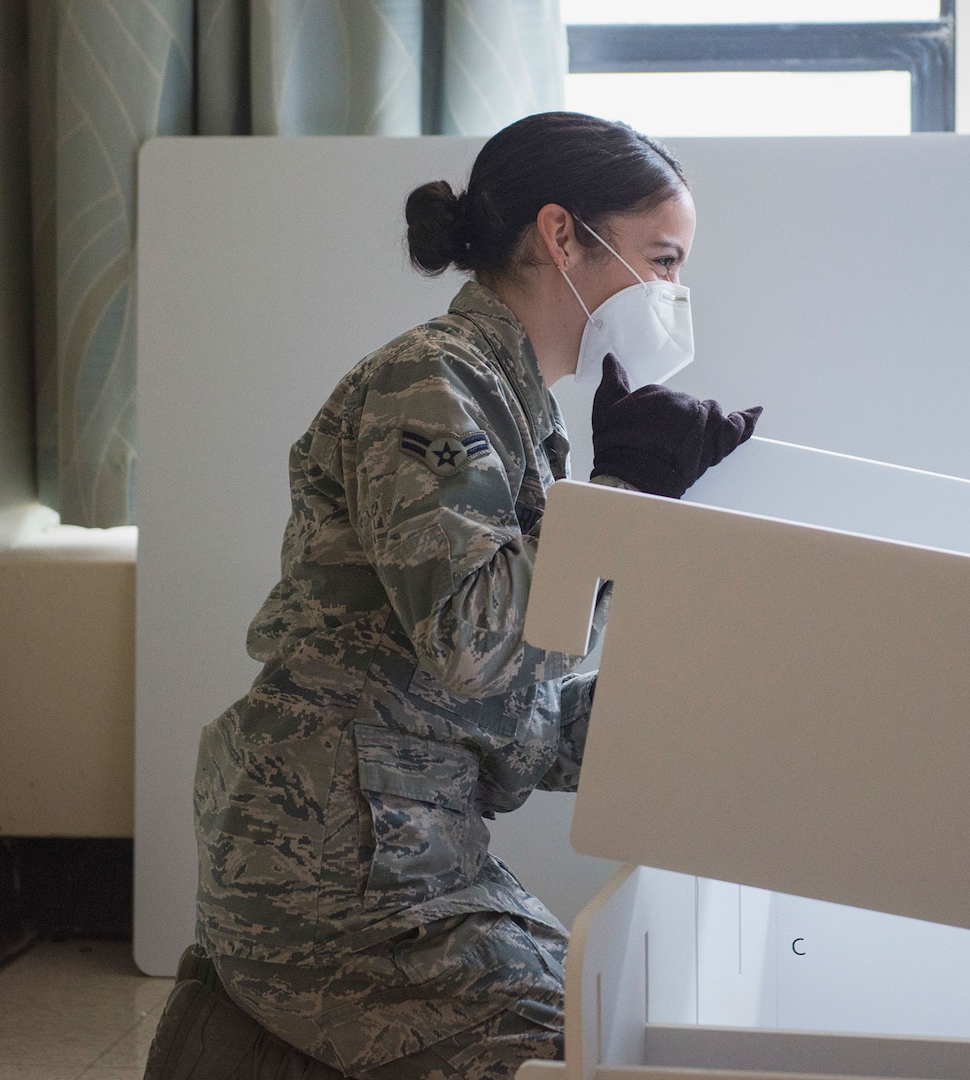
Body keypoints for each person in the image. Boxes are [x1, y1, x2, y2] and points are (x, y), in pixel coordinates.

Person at [143, 112, 761, 1080]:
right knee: (584, 1050)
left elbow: (512, 707)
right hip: (341, 860)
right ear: (563, 236)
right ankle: (251, 1024)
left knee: (609, 1019)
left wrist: (704, 707)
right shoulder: (430, 382)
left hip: (404, 843)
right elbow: (472, 644)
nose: (674, 294)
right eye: (664, 259)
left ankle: (248, 1035)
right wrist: (621, 500)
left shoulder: (514, 410)